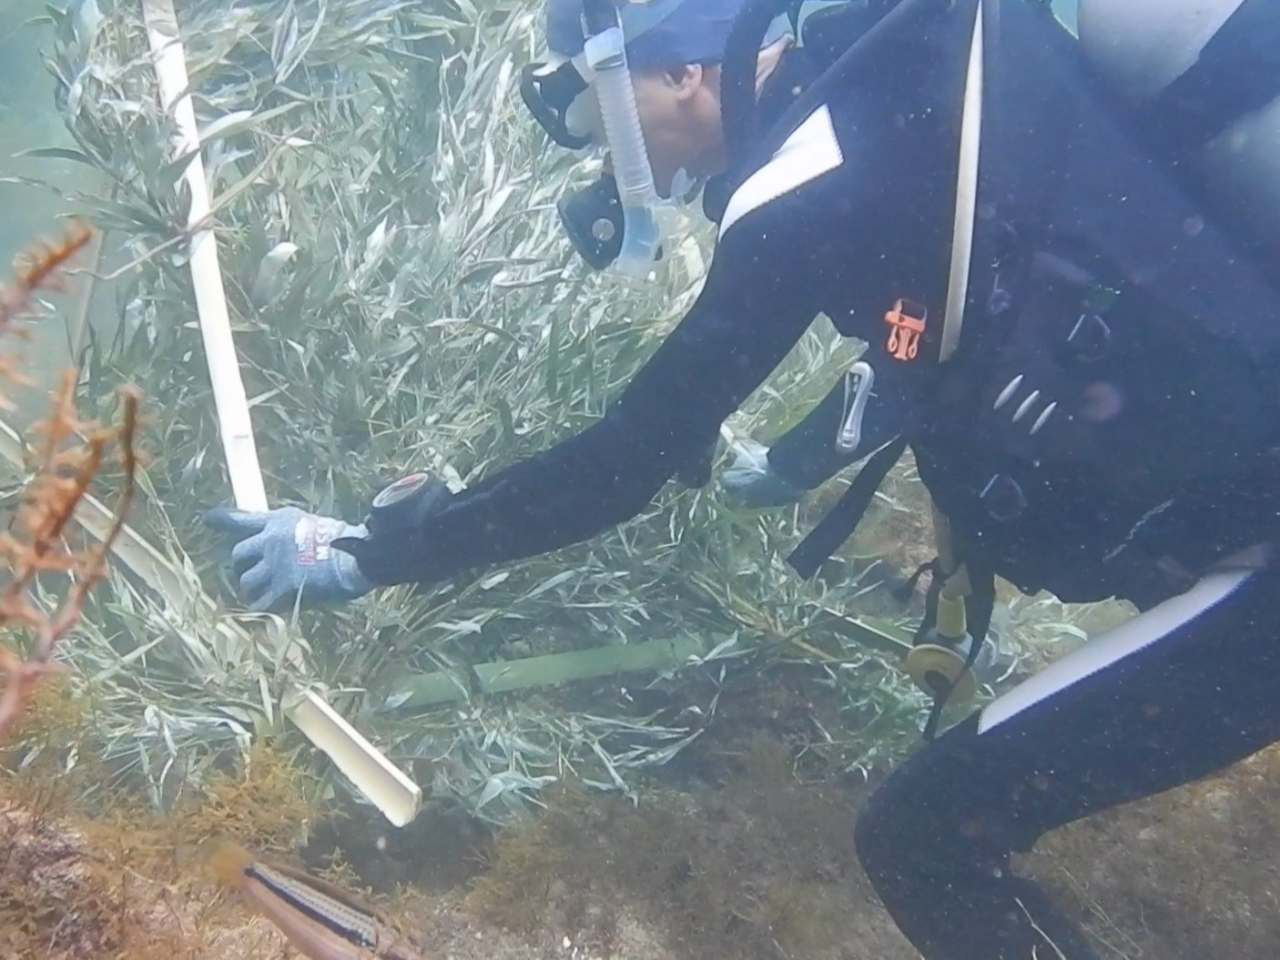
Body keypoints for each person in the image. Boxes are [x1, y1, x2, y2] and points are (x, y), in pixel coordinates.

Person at [204, 1, 1280, 958]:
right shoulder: (914, 93)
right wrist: (792, 463)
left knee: (924, 840)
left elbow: (618, 463)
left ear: (682, 72)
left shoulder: (812, 173)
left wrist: (367, 552)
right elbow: (917, 368)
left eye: (597, 105)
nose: (605, 153)